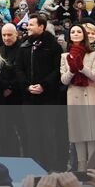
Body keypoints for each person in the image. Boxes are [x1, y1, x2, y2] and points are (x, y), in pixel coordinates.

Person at [15, 13, 65, 169]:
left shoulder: (53, 46)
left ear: (41, 27)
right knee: (32, 133)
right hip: (29, 97)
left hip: (48, 97)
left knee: (48, 133)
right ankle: (33, 165)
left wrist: (44, 85)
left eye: (31, 25)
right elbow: (19, 68)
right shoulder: (24, 45)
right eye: (28, 24)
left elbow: (57, 69)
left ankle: (50, 165)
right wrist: (26, 85)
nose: (27, 27)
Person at [60, 23, 95, 169]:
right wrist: (73, 70)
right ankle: (81, 166)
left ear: (84, 34)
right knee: (78, 132)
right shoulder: (65, 55)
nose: (75, 34)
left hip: (91, 92)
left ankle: (92, 166)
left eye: (78, 31)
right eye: (72, 32)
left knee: (92, 132)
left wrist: (81, 67)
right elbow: (64, 80)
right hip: (74, 94)